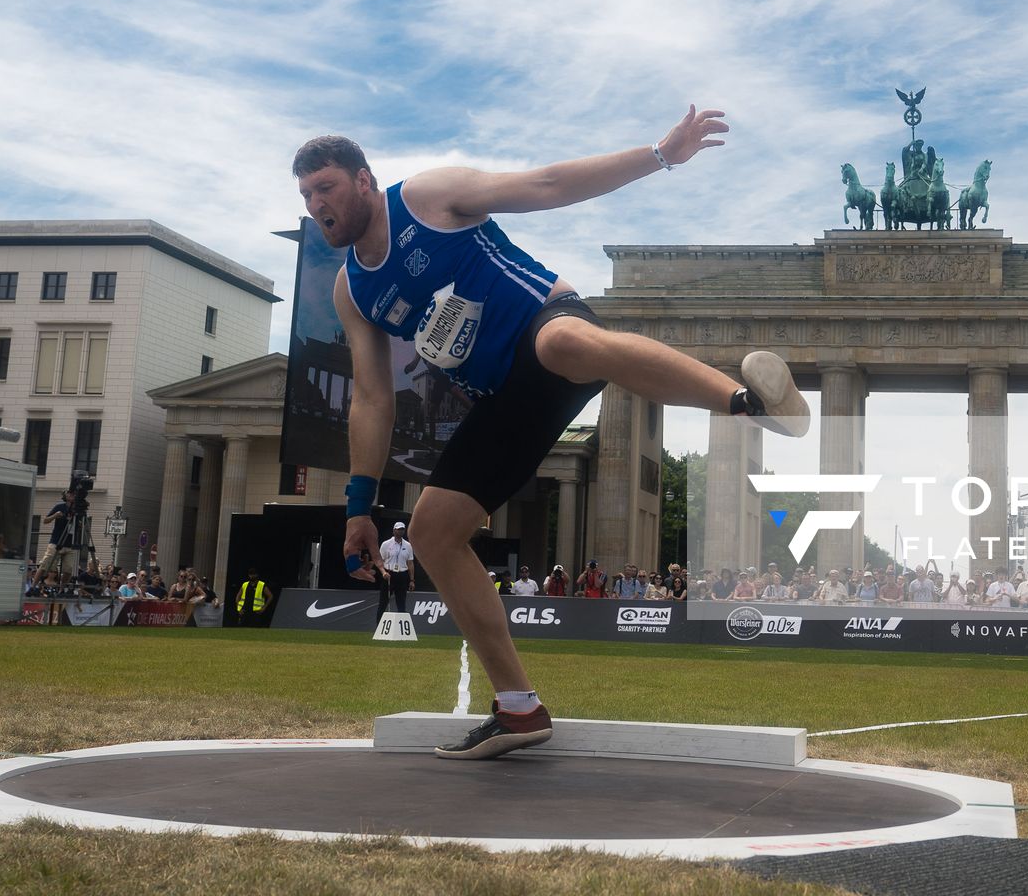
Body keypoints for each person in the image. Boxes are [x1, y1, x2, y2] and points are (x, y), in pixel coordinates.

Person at [297, 115, 812, 760]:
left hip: (548, 325)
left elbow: (546, 185)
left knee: (566, 343)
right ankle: (518, 707)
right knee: (431, 532)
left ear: (364, 181)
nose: (318, 206)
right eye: (308, 197)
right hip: (506, 398)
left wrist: (662, 153)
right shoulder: (353, 290)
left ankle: (750, 403)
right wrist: (358, 507)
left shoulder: (426, 198)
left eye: (326, 188)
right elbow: (371, 400)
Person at [377, 521, 417, 620]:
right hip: (389, 574)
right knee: (383, 603)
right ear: (394, 530)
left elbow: (410, 563)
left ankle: (401, 630)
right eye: (398, 529)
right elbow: (380, 561)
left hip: (402, 575)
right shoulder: (386, 544)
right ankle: (379, 628)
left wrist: (412, 580)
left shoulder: (408, 545)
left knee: (401, 604)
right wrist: (383, 572)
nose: (400, 531)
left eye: (402, 529)